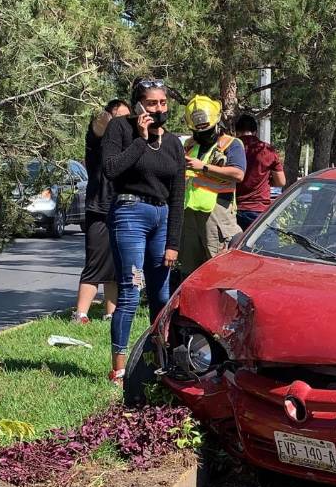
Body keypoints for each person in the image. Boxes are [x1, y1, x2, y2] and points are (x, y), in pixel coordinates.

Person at [102, 78, 185, 384]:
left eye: (163, 103)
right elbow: (111, 169)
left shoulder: (174, 143)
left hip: (161, 218)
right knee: (130, 292)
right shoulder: (120, 129)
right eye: (152, 103)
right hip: (130, 214)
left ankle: (157, 360)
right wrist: (140, 137)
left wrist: (173, 242)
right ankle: (120, 368)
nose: (159, 108)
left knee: (161, 294)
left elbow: (178, 194)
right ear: (138, 105)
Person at [176, 95, 246, 281]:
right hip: (190, 216)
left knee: (219, 271)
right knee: (189, 272)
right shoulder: (189, 145)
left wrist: (204, 167)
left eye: (206, 130)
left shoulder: (231, 144)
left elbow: (238, 174)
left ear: (216, 123)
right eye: (197, 131)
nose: (201, 134)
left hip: (217, 217)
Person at [74, 98, 131, 324]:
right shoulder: (97, 140)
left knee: (118, 265)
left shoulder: (127, 143)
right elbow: (97, 126)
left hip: (123, 207)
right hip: (98, 208)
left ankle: (111, 313)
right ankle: (80, 314)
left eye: (127, 118)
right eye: (119, 118)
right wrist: (107, 115)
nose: (123, 123)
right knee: (95, 262)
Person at [234, 114, 286, 230]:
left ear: (236, 132)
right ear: (255, 131)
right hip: (258, 208)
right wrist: (265, 179)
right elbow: (281, 182)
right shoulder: (267, 149)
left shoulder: (230, 149)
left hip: (233, 208)